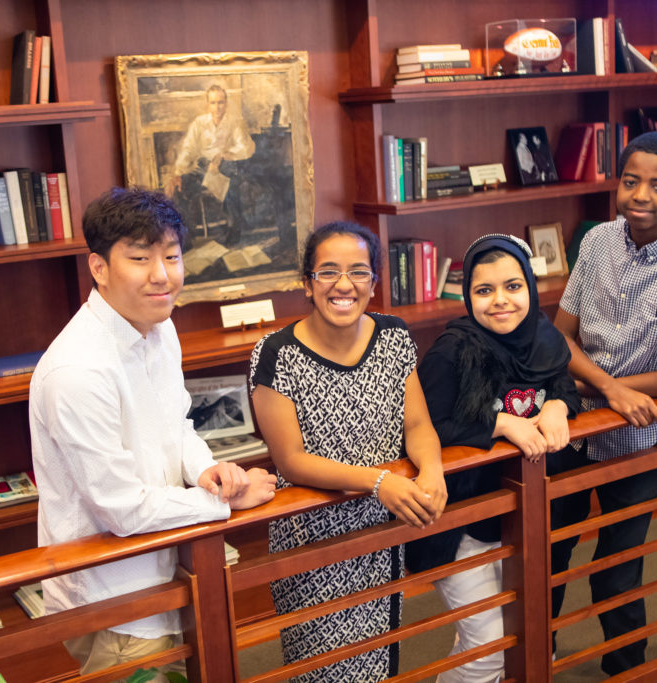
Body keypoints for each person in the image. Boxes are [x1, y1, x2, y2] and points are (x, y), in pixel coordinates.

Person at [29, 187, 277, 680]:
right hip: (113, 593)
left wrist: (209, 471)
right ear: (98, 268)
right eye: (140, 259)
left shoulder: (159, 327)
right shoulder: (77, 370)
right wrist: (227, 503)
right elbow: (118, 507)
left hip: (170, 561)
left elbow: (176, 423)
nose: (161, 275)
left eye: (171, 256)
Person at [551, 131, 657, 674]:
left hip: (638, 436)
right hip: (573, 424)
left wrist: (605, 386)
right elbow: (560, 339)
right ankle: (536, 656)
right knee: (549, 553)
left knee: (617, 567)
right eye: (630, 181)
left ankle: (627, 667)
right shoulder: (598, 239)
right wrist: (610, 387)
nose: (640, 195)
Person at [249, 221, 447, 682]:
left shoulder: (394, 336)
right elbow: (290, 460)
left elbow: (417, 424)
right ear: (308, 284)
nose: (344, 284)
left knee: (380, 658)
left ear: (374, 284)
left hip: (382, 527)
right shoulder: (275, 354)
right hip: (313, 537)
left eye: (358, 272)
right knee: (322, 670)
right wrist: (378, 481)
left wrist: (432, 469)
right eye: (328, 272)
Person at [405, 234, 579, 683]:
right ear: (468, 296)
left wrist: (560, 406)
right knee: (487, 650)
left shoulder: (543, 336)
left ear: (531, 288)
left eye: (513, 286)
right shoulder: (452, 351)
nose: (500, 301)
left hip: (524, 514)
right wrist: (499, 424)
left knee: (515, 636)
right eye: (484, 291)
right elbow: (423, 425)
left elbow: (558, 384)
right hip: (464, 521)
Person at [166, 84, 255, 246]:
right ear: (207, 104)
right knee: (181, 188)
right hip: (201, 169)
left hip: (224, 167)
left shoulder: (235, 122)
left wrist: (223, 155)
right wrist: (178, 173)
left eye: (220, 102)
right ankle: (187, 236)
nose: (217, 107)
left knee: (231, 186)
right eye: (213, 103)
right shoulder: (199, 123)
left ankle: (234, 232)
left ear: (226, 103)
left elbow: (244, 147)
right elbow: (188, 148)